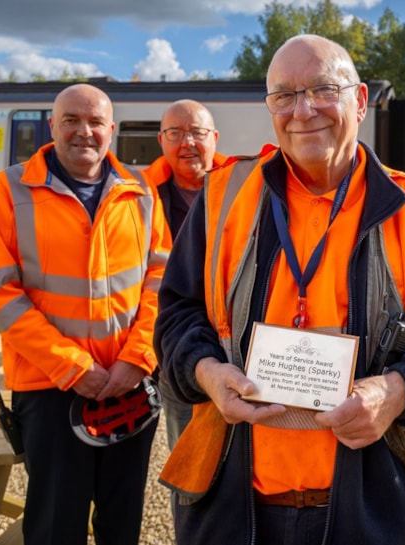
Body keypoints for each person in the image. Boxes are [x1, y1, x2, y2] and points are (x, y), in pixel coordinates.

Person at [154, 34, 405, 545]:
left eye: (321, 89)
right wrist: (206, 372)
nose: (303, 110)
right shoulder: (223, 197)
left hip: (371, 509)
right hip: (233, 507)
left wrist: (394, 392)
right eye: (284, 95)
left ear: (359, 100)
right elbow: (176, 316)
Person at [0, 83, 172, 545]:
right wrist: (73, 368)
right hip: (50, 389)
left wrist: (136, 360)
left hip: (130, 386)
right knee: (55, 523)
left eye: (95, 122)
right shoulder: (6, 192)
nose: (84, 132)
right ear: (52, 127)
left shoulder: (140, 191)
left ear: (111, 130)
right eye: (71, 121)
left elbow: (162, 284)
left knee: (122, 519)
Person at [144, 99, 228, 449]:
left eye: (196, 132)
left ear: (215, 138)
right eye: (175, 133)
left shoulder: (247, 188)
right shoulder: (139, 198)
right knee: (187, 455)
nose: (187, 143)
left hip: (237, 351)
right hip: (178, 352)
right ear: (161, 141)